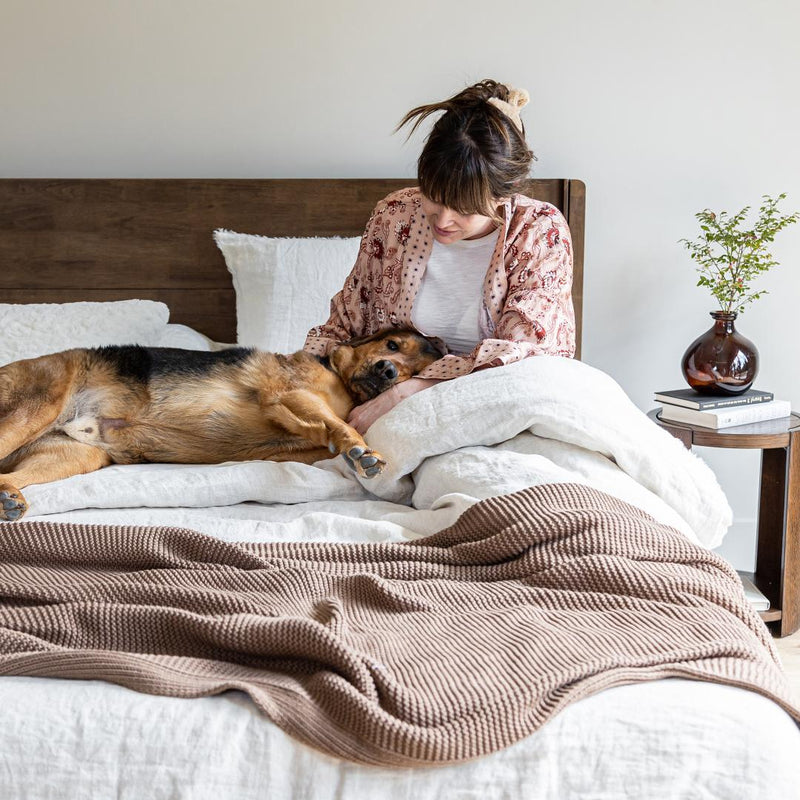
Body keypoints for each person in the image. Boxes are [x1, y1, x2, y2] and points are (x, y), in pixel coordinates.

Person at [304, 79, 576, 433]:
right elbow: (345, 326)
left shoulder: (538, 231)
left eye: (464, 208)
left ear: (503, 195)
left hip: (493, 408)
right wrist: (301, 385)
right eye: (433, 196)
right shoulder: (395, 216)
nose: (443, 220)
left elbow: (527, 358)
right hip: (374, 405)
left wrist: (413, 391)